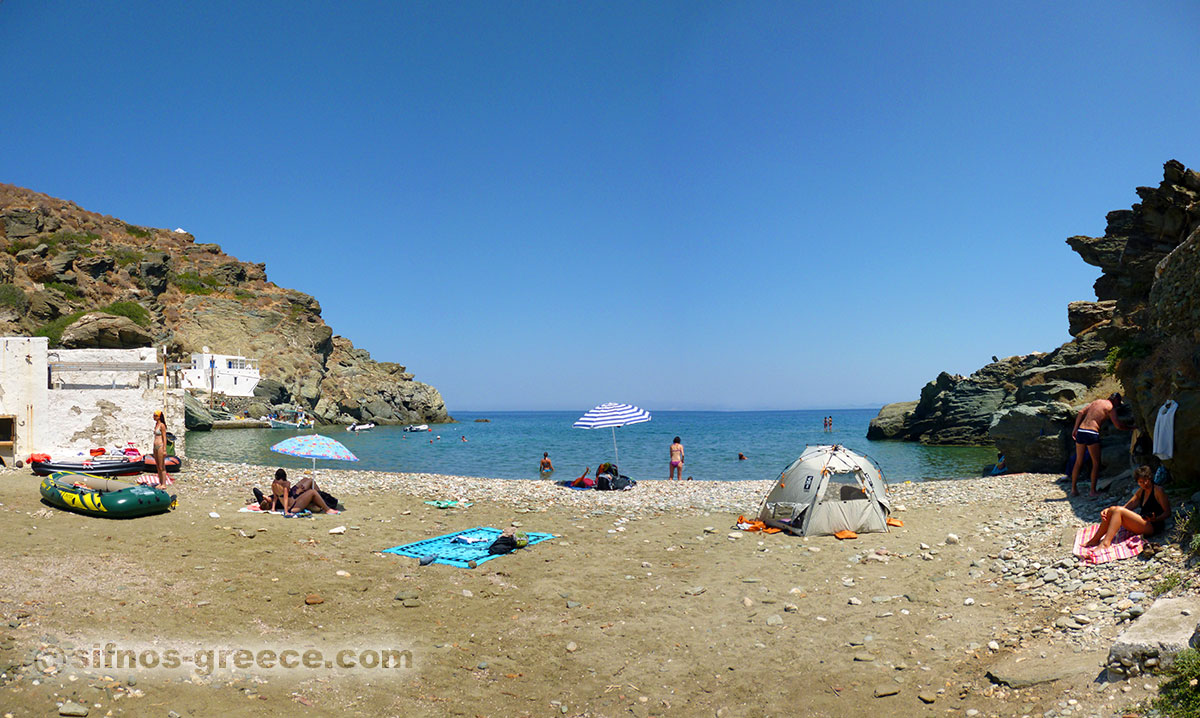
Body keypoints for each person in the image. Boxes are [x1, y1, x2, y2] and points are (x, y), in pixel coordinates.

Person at [1082, 466, 1170, 549]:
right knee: (1113, 510)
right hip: (1143, 522)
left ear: (1150, 478)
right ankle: (1095, 540)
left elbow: (1167, 512)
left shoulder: (1158, 491)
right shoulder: (1141, 491)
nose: (1145, 484)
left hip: (1153, 525)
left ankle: (1106, 543)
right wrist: (1108, 510)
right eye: (1141, 482)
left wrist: (1156, 518)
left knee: (1117, 511)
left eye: (1146, 480)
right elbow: (1126, 507)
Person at [1070, 393, 1133, 497]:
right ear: (1116, 400)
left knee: (1078, 461)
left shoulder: (1096, 402)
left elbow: (1081, 412)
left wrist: (1075, 429)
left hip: (1081, 431)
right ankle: (1092, 491)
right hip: (1092, 432)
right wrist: (1131, 428)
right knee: (1096, 463)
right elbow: (1118, 425)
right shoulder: (1110, 407)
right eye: (1119, 402)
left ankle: (1073, 489)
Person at [256, 468, 338, 514]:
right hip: (293, 506)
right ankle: (327, 509)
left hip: (292, 504)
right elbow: (285, 498)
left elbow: (275, 497)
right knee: (312, 492)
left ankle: (321, 501)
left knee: (308, 486)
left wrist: (273, 509)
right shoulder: (286, 484)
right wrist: (286, 512)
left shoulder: (274, 484)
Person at [144, 410, 171, 487]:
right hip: (155, 446)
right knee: (158, 466)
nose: (154, 417)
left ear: (159, 417)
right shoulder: (156, 425)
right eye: (154, 415)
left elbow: (164, 437)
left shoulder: (162, 425)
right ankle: (160, 482)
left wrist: (165, 449)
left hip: (160, 446)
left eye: (155, 415)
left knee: (161, 466)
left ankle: (164, 484)